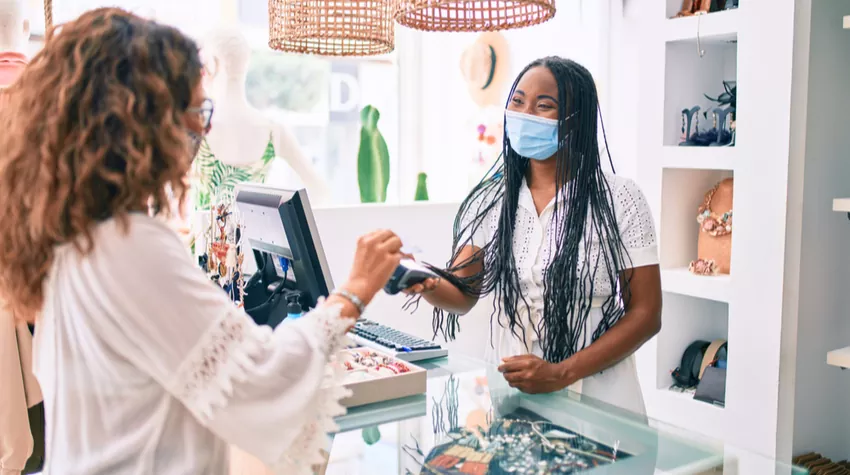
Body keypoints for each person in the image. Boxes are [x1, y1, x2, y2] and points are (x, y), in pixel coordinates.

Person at [0, 8, 402, 474]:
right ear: (142, 124)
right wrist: (353, 293)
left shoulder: (72, 235)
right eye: (196, 112)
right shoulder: (132, 246)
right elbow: (259, 379)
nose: (202, 130)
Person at [406, 57, 662, 415]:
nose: (525, 114)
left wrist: (561, 373)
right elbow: (464, 294)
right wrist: (423, 279)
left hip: (601, 398)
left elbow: (646, 313)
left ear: (576, 120)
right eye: (518, 102)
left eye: (544, 106)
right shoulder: (490, 201)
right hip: (513, 391)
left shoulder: (621, 199)